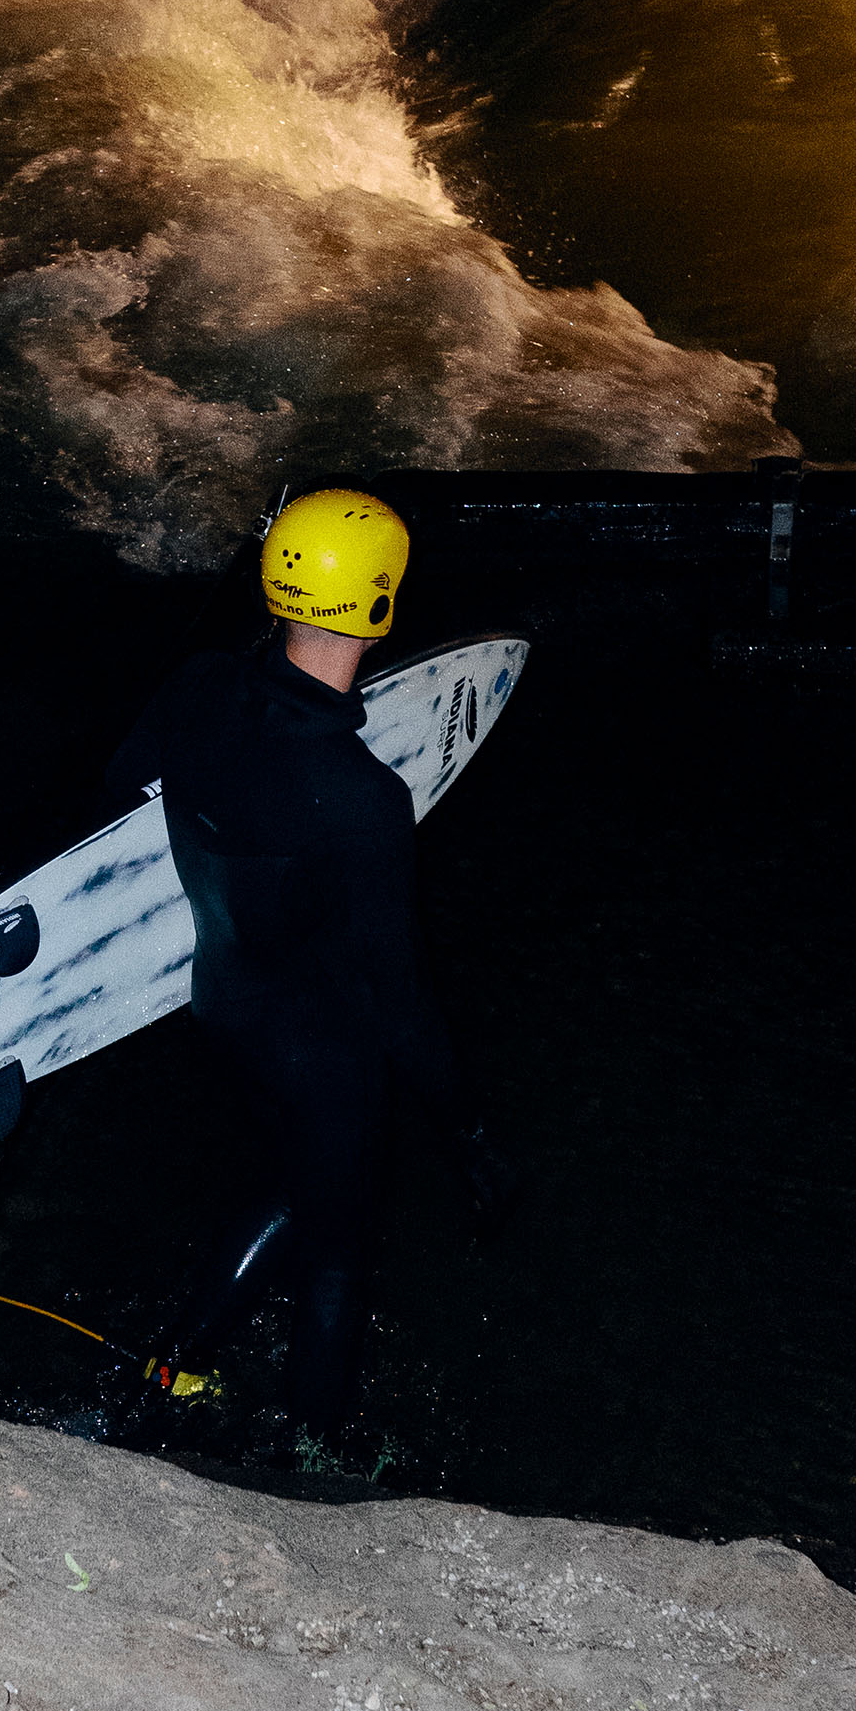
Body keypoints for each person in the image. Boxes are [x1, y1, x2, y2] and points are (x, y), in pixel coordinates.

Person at [104, 487, 501, 1449]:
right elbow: (398, 997)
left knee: (303, 1178)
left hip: (221, 1004)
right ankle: (309, 1468)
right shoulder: (362, 798)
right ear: (381, 605)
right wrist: (468, 1128)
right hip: (322, 1049)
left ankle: (175, 1367)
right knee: (338, 1252)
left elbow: (123, 786)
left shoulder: (200, 685)